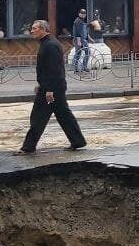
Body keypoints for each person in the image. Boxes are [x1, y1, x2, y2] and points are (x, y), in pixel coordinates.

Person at [17, 19, 86, 154]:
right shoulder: (47, 43)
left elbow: (55, 70)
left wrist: (49, 90)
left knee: (38, 117)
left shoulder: (51, 45)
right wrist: (40, 84)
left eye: (34, 28)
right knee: (64, 116)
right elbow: (46, 68)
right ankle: (78, 141)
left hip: (52, 89)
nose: (32, 31)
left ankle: (28, 147)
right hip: (52, 87)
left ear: (43, 29)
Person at [70, 9, 91, 74]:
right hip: (79, 40)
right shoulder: (78, 21)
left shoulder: (82, 21)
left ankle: (80, 68)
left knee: (81, 53)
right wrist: (79, 42)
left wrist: (89, 38)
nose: (83, 14)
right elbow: (77, 33)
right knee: (82, 53)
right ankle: (79, 68)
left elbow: (84, 32)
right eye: (81, 13)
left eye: (84, 13)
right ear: (79, 13)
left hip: (83, 39)